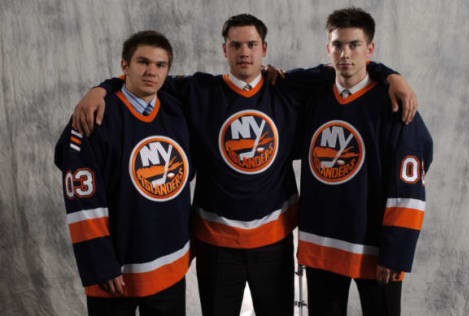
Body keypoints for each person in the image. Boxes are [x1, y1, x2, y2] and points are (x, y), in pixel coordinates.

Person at [70, 14, 418, 316]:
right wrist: (101, 89)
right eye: (236, 45)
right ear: (224, 50)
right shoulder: (198, 90)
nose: (244, 52)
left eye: (251, 44)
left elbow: (347, 68)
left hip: (274, 240)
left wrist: (392, 77)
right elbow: (144, 82)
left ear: (264, 48)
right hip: (215, 242)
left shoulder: (288, 87)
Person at [297, 7, 433, 316]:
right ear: (327, 48)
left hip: (375, 250)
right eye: (337, 45)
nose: (345, 53)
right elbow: (275, 80)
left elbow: (409, 191)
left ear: (369, 49)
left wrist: (396, 254)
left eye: (354, 45)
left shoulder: (396, 106)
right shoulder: (314, 93)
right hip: (323, 245)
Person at [54, 30, 192, 316]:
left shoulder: (176, 108)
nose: (151, 71)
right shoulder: (94, 118)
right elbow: (82, 202)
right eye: (142, 62)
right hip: (116, 271)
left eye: (160, 65)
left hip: (170, 265)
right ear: (124, 66)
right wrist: (99, 264)